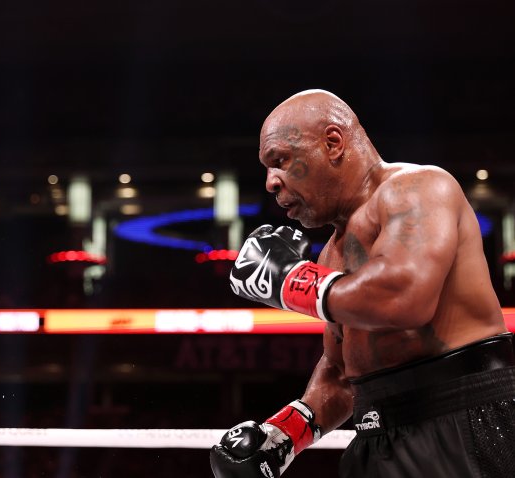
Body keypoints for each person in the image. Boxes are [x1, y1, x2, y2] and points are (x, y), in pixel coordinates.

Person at [210, 90, 515, 477]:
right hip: (377, 436)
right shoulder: (330, 257)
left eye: (281, 161)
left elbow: (404, 298)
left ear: (332, 143)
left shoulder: (418, 188)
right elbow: (343, 374)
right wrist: (285, 434)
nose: (271, 182)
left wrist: (289, 280)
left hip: (461, 418)